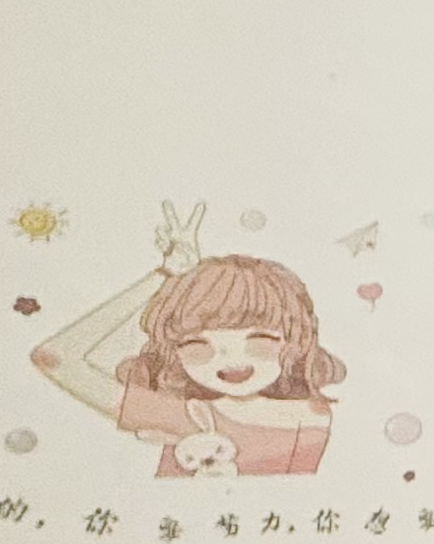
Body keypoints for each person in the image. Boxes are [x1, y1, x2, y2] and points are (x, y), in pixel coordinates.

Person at [30, 203, 345, 478]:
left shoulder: (311, 415)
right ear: (174, 351)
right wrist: (163, 275)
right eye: (197, 345)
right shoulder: (187, 413)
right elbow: (54, 357)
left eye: (259, 339)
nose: (230, 358)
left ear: (295, 339)